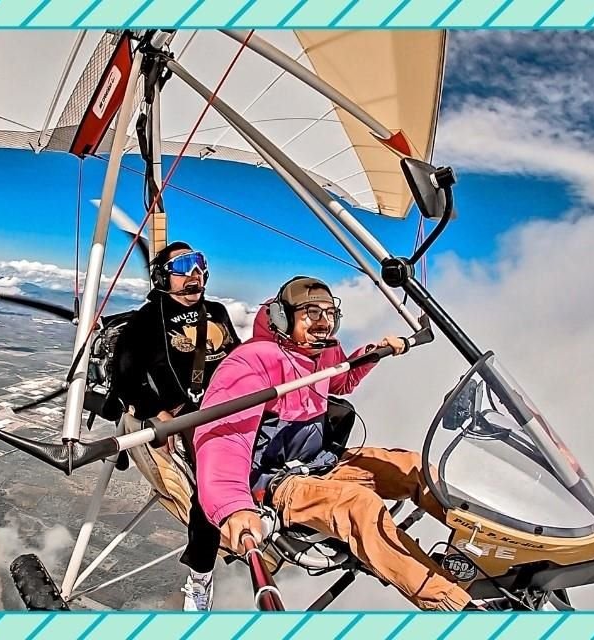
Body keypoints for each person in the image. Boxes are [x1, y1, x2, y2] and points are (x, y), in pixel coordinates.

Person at [193, 276, 476, 611]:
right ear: (283, 318)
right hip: (278, 481)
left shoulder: (324, 353)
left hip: (321, 462)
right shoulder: (253, 360)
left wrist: (370, 356)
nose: (323, 321)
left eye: (329, 313)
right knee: (360, 505)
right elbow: (225, 434)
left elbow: (342, 380)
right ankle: (451, 603)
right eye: (311, 312)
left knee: (412, 467)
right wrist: (232, 507)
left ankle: (486, 540)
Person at [111, 241, 241, 611]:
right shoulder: (148, 319)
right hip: (191, 413)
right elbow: (124, 375)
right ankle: (200, 573)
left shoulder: (216, 311)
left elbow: (241, 356)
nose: (195, 271)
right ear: (163, 277)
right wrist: (158, 413)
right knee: (212, 478)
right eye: (184, 265)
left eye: (200, 262)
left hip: (233, 403)